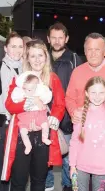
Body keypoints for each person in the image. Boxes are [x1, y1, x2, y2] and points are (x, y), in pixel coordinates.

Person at [2, 39, 66, 191]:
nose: (37, 60)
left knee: (39, 179)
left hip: (43, 134)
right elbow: (9, 104)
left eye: (40, 55)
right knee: (19, 179)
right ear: (27, 58)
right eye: (33, 56)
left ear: (46, 57)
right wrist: (25, 105)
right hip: (22, 134)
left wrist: (54, 117)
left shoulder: (53, 78)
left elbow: (60, 103)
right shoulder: (19, 79)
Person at [46, 22, 84, 191]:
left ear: (66, 38)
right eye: (53, 37)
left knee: (69, 158)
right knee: (45, 156)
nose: (56, 41)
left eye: (60, 37)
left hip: (67, 119)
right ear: (48, 38)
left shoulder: (75, 59)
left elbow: (80, 89)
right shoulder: (41, 57)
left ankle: (67, 186)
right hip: (44, 117)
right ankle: (47, 185)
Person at [0, 31, 24, 191]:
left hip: (20, 125)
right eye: (13, 46)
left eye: (20, 46)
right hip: (0, 125)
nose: (17, 50)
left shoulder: (26, 70)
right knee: (0, 166)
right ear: (6, 48)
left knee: (17, 168)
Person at [69, 76, 105, 191]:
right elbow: (74, 142)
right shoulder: (80, 113)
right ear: (87, 93)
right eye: (93, 92)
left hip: (102, 169)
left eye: (101, 92)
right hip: (81, 167)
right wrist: (72, 166)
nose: (97, 97)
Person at [66, 33, 105, 125]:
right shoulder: (77, 72)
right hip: (82, 127)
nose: (93, 54)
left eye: (97, 49)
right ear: (85, 52)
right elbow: (69, 98)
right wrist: (74, 113)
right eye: (90, 49)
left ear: (104, 52)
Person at [11, 71, 52, 155]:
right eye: (26, 88)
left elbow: (47, 97)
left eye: (31, 89)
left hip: (38, 115)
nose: (28, 91)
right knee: (23, 131)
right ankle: (27, 145)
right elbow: (13, 100)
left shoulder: (41, 91)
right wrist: (21, 99)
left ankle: (45, 137)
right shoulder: (20, 91)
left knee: (45, 124)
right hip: (25, 117)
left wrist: (39, 100)